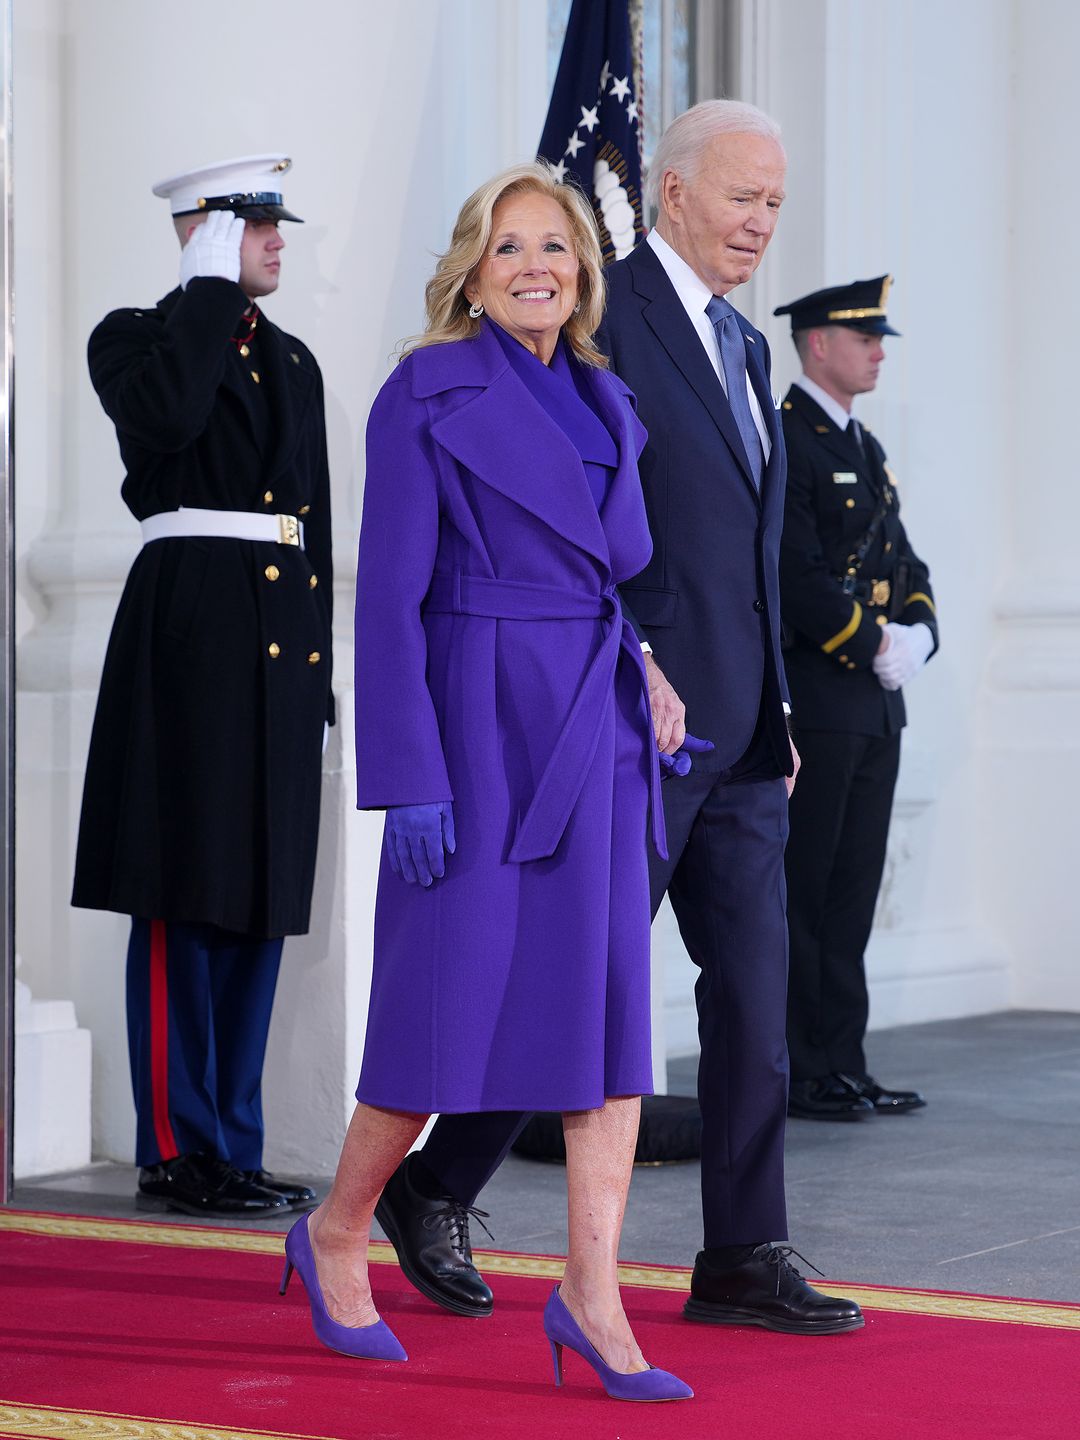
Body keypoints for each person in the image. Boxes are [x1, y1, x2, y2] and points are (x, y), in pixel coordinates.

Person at [375, 101, 864, 1339]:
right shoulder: (599, 320)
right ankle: (432, 1186)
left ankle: (745, 1253)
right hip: (614, 724)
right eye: (744, 197)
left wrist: (782, 707)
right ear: (676, 194)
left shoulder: (751, 352)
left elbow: (744, 558)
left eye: (776, 205)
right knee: (564, 982)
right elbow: (581, 545)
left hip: (744, 731)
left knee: (756, 1000)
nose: (762, 223)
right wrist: (635, 671)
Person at [281, 161, 695, 1400]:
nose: (535, 268)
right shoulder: (424, 392)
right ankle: (342, 1226)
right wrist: (407, 775)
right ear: (471, 267)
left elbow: (604, 579)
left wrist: (651, 674)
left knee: (610, 1023)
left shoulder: (610, 402)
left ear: (583, 273)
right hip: (473, 734)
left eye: (555, 249)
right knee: (438, 1017)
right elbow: (389, 600)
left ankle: (592, 1293)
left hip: (594, 732)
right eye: (509, 247)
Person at [71, 155, 333, 1218]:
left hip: (275, 638)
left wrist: (319, 668)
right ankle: (176, 1147)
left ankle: (234, 1138)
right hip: (190, 628)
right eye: (252, 224)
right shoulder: (137, 336)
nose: (277, 241)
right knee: (186, 897)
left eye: (276, 225)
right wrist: (210, 289)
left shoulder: (296, 360)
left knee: (259, 899)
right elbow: (171, 418)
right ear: (201, 232)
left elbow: (311, 521)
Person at [774, 276, 938, 1121]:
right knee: (807, 885)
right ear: (817, 345)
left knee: (853, 890)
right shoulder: (787, 437)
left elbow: (907, 567)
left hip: (875, 704)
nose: (877, 351)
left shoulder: (864, 447)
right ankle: (803, 1069)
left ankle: (845, 1060)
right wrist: (872, 642)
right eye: (864, 337)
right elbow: (793, 574)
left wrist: (918, 634)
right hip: (822, 695)